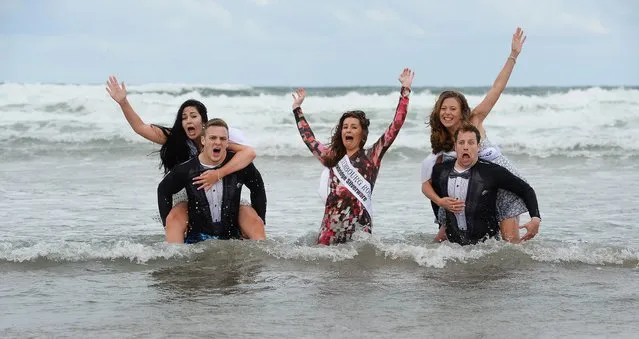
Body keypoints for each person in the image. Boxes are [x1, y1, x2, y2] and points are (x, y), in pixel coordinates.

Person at [106, 76, 266, 242]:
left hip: (225, 187)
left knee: (249, 219)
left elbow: (249, 154)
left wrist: (217, 174)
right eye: (184, 117)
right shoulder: (177, 139)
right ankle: (177, 257)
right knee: (175, 219)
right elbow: (140, 128)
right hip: (188, 193)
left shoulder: (219, 136)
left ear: (204, 121)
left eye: (193, 116)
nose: (188, 120)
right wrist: (123, 102)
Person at [421, 27, 528, 243]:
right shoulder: (442, 142)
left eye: (452, 108)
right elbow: (434, 180)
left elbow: (497, 88)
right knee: (446, 240)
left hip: (503, 184)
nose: (447, 113)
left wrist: (513, 55)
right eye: (443, 108)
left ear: (462, 110)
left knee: (510, 244)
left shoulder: (475, 120)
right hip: (473, 191)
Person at [292, 68, 414, 245]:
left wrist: (405, 92)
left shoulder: (372, 156)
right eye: (345, 126)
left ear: (362, 134)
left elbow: (395, 126)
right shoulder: (331, 157)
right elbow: (309, 139)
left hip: (359, 228)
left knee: (359, 270)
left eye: (354, 127)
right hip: (330, 228)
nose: (348, 130)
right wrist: (297, 109)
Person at [157, 119, 267, 244]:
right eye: (213, 138)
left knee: (256, 222)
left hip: (231, 232)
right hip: (198, 234)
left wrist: (261, 219)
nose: (218, 142)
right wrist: (166, 224)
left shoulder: (240, 165)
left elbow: (258, 188)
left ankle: (261, 257)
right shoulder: (186, 169)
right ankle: (174, 257)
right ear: (203, 140)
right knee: (173, 219)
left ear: (227, 143)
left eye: (222, 139)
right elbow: (163, 190)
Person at [430, 124, 541, 245]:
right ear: (455, 146)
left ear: (478, 147)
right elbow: (434, 196)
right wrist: (441, 223)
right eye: (461, 143)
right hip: (453, 248)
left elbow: (526, 189)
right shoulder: (440, 171)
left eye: (471, 143)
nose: (466, 147)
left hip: (487, 248)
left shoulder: (493, 171)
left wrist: (535, 218)